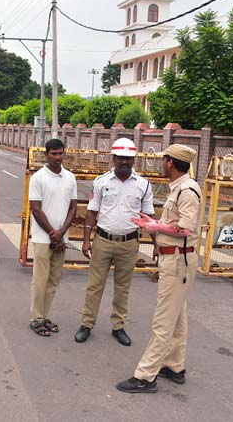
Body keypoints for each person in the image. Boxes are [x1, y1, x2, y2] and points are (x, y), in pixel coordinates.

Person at [116, 144, 201, 394]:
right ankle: (174, 366)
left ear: (171, 163)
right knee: (177, 316)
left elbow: (185, 229)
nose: (162, 164)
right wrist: (154, 222)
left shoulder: (187, 190)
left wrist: (155, 228)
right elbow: (176, 224)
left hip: (178, 260)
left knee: (163, 320)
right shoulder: (181, 187)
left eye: (164, 160)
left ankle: (145, 376)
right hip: (175, 259)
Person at [76, 138, 155, 346]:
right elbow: (92, 212)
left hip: (129, 243)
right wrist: (86, 240)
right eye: (120, 158)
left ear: (134, 160)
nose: (124, 162)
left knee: (123, 287)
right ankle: (87, 324)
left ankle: (118, 326)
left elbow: (148, 217)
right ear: (113, 159)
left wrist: (156, 244)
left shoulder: (143, 185)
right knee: (95, 285)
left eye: (128, 159)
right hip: (103, 240)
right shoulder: (101, 181)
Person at [28, 138, 78, 337]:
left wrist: (61, 233)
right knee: (40, 280)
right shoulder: (38, 178)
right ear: (46, 155)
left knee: (54, 280)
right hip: (42, 238)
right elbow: (36, 209)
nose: (58, 157)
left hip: (61, 238)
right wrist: (53, 234)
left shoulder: (70, 178)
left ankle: (45, 316)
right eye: (54, 154)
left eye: (60, 153)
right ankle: (36, 318)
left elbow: (73, 207)